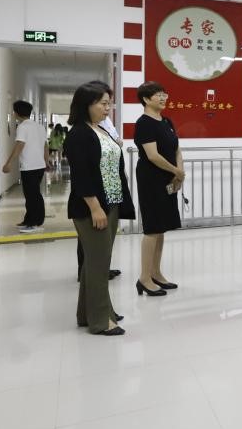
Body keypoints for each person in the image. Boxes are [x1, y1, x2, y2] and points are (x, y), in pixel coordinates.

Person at [65, 82, 132, 335]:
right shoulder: (79, 134)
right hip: (93, 207)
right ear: (87, 105)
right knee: (98, 264)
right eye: (103, 103)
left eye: (108, 103)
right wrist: (94, 207)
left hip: (110, 202)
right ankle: (101, 320)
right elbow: (81, 175)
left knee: (95, 262)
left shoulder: (100, 129)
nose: (107, 108)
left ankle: (88, 313)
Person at [134, 82, 185, 296]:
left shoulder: (166, 121)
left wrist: (179, 172)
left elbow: (177, 149)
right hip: (151, 178)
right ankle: (144, 278)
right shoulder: (144, 123)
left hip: (168, 177)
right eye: (158, 95)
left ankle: (155, 273)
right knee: (152, 227)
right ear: (146, 99)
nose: (163, 97)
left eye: (165, 94)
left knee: (161, 227)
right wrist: (176, 171)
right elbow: (153, 156)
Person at [0, 101, 48, 233]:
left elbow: (19, 145)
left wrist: (8, 163)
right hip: (39, 165)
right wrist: (46, 160)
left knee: (32, 195)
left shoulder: (22, 127)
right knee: (33, 194)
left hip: (29, 166)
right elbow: (45, 145)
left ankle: (35, 223)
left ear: (16, 113)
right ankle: (29, 220)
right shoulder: (39, 126)